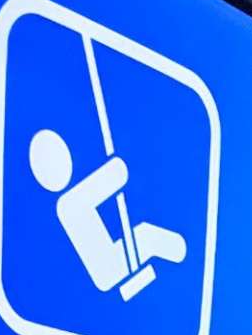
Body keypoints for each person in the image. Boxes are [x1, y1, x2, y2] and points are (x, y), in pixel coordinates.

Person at [26, 125, 188, 300]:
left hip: (109, 271)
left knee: (148, 237)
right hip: (110, 268)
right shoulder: (69, 204)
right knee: (149, 237)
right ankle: (177, 250)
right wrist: (116, 168)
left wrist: (116, 170)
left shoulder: (66, 205)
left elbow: (116, 175)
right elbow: (118, 174)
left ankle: (177, 251)